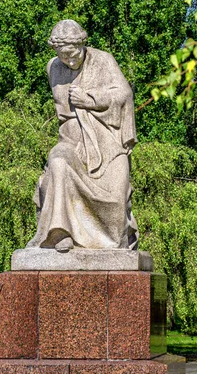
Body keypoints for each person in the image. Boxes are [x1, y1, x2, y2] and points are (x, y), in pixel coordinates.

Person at [26, 19, 138, 252]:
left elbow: (124, 95)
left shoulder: (103, 61)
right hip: (71, 140)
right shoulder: (53, 68)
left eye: (73, 53)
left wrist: (91, 100)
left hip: (106, 140)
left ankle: (113, 244)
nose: (70, 59)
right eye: (63, 55)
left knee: (116, 198)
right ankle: (59, 234)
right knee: (57, 161)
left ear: (82, 44)